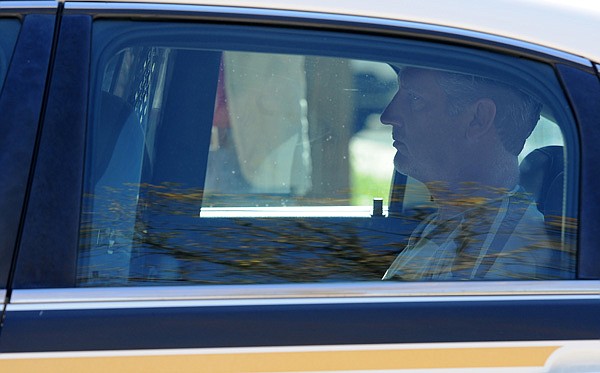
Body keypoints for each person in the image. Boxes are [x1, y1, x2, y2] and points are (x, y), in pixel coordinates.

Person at [380, 66, 568, 281]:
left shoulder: (504, 256)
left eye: (414, 98)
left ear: (477, 119)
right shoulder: (451, 223)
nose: (388, 116)